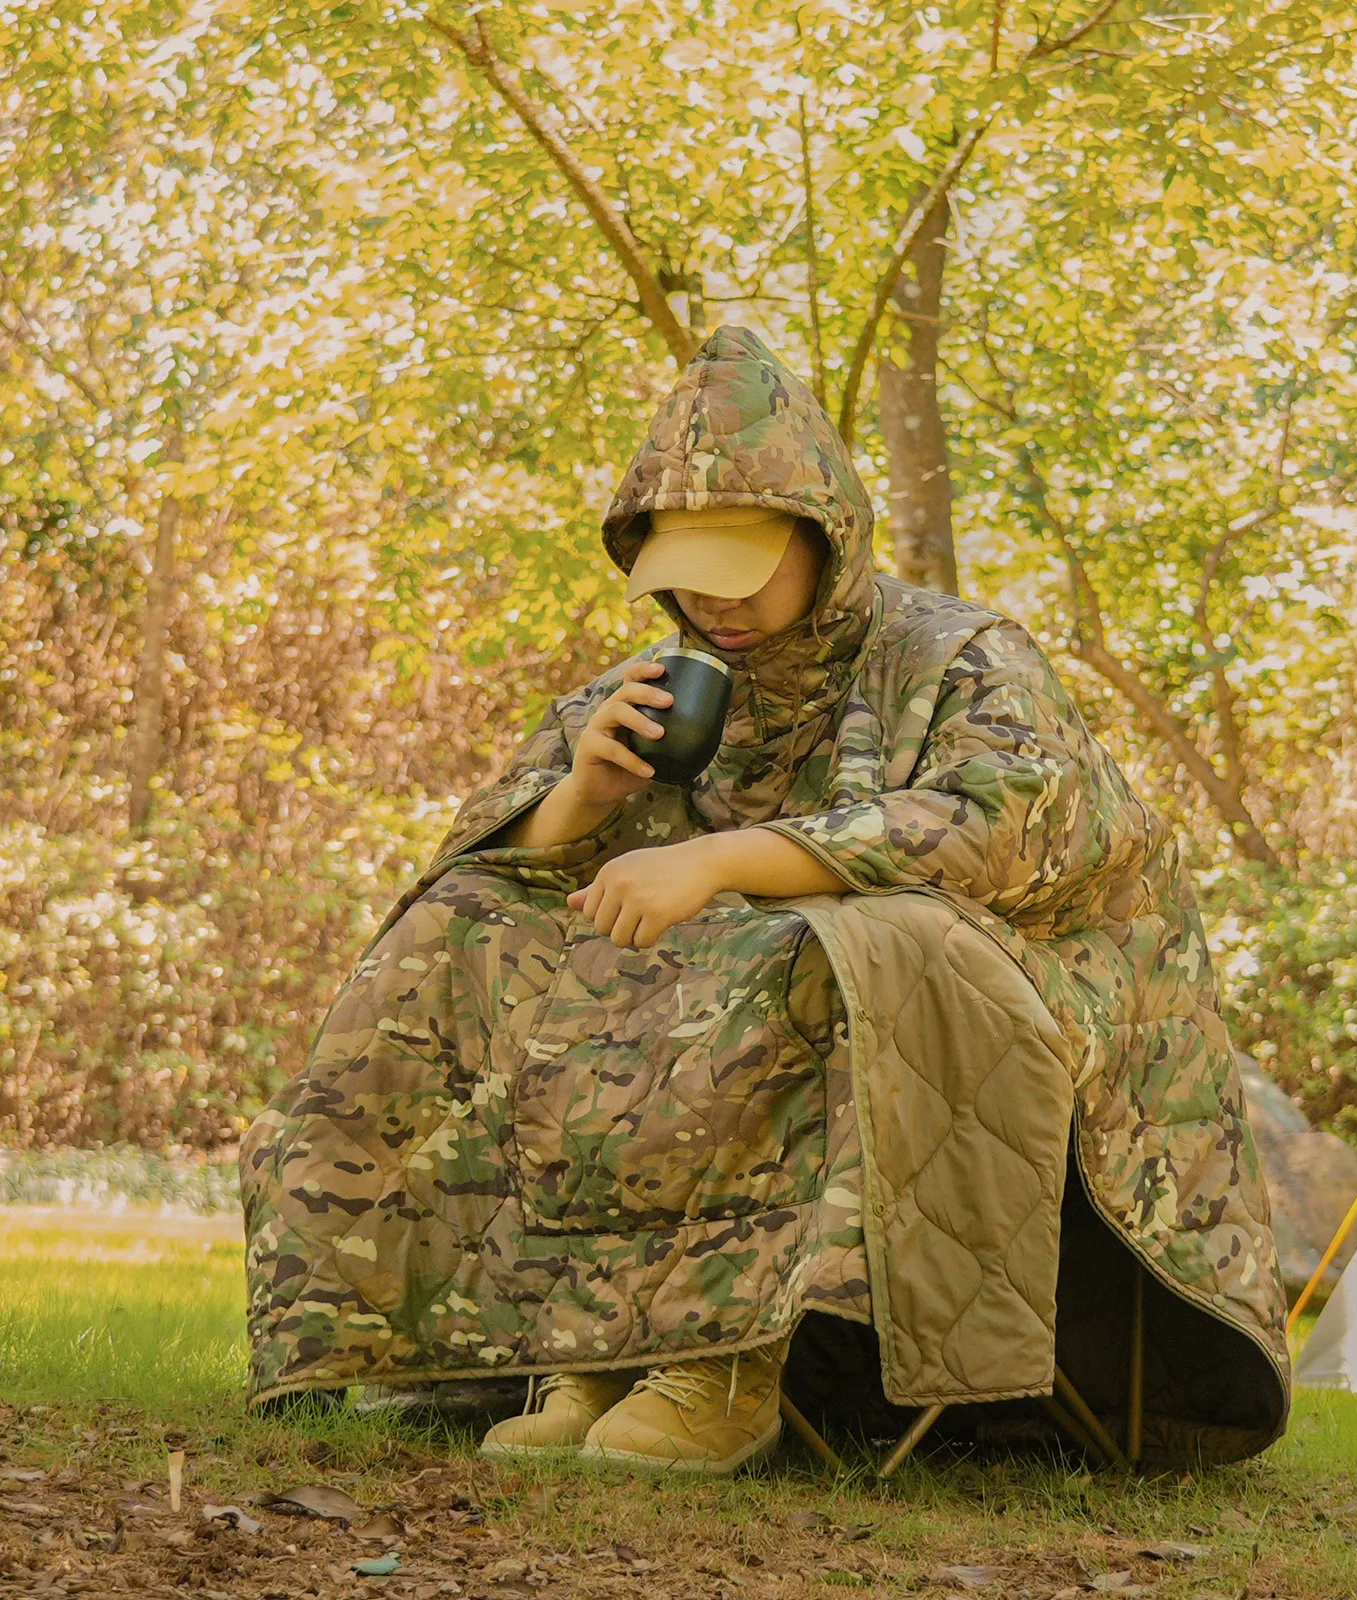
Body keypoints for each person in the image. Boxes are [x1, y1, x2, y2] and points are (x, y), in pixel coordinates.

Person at [242, 327, 1289, 1475]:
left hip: (1031, 994)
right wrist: (580, 797)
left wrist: (729, 858)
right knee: (458, 927)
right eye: (681, 568)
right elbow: (481, 869)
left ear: (822, 538)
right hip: (755, 998)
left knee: (815, 952)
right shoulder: (653, 684)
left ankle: (725, 1362)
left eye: (739, 566)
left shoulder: (958, 655)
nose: (708, 598)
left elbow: (1017, 822)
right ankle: (547, 1348)